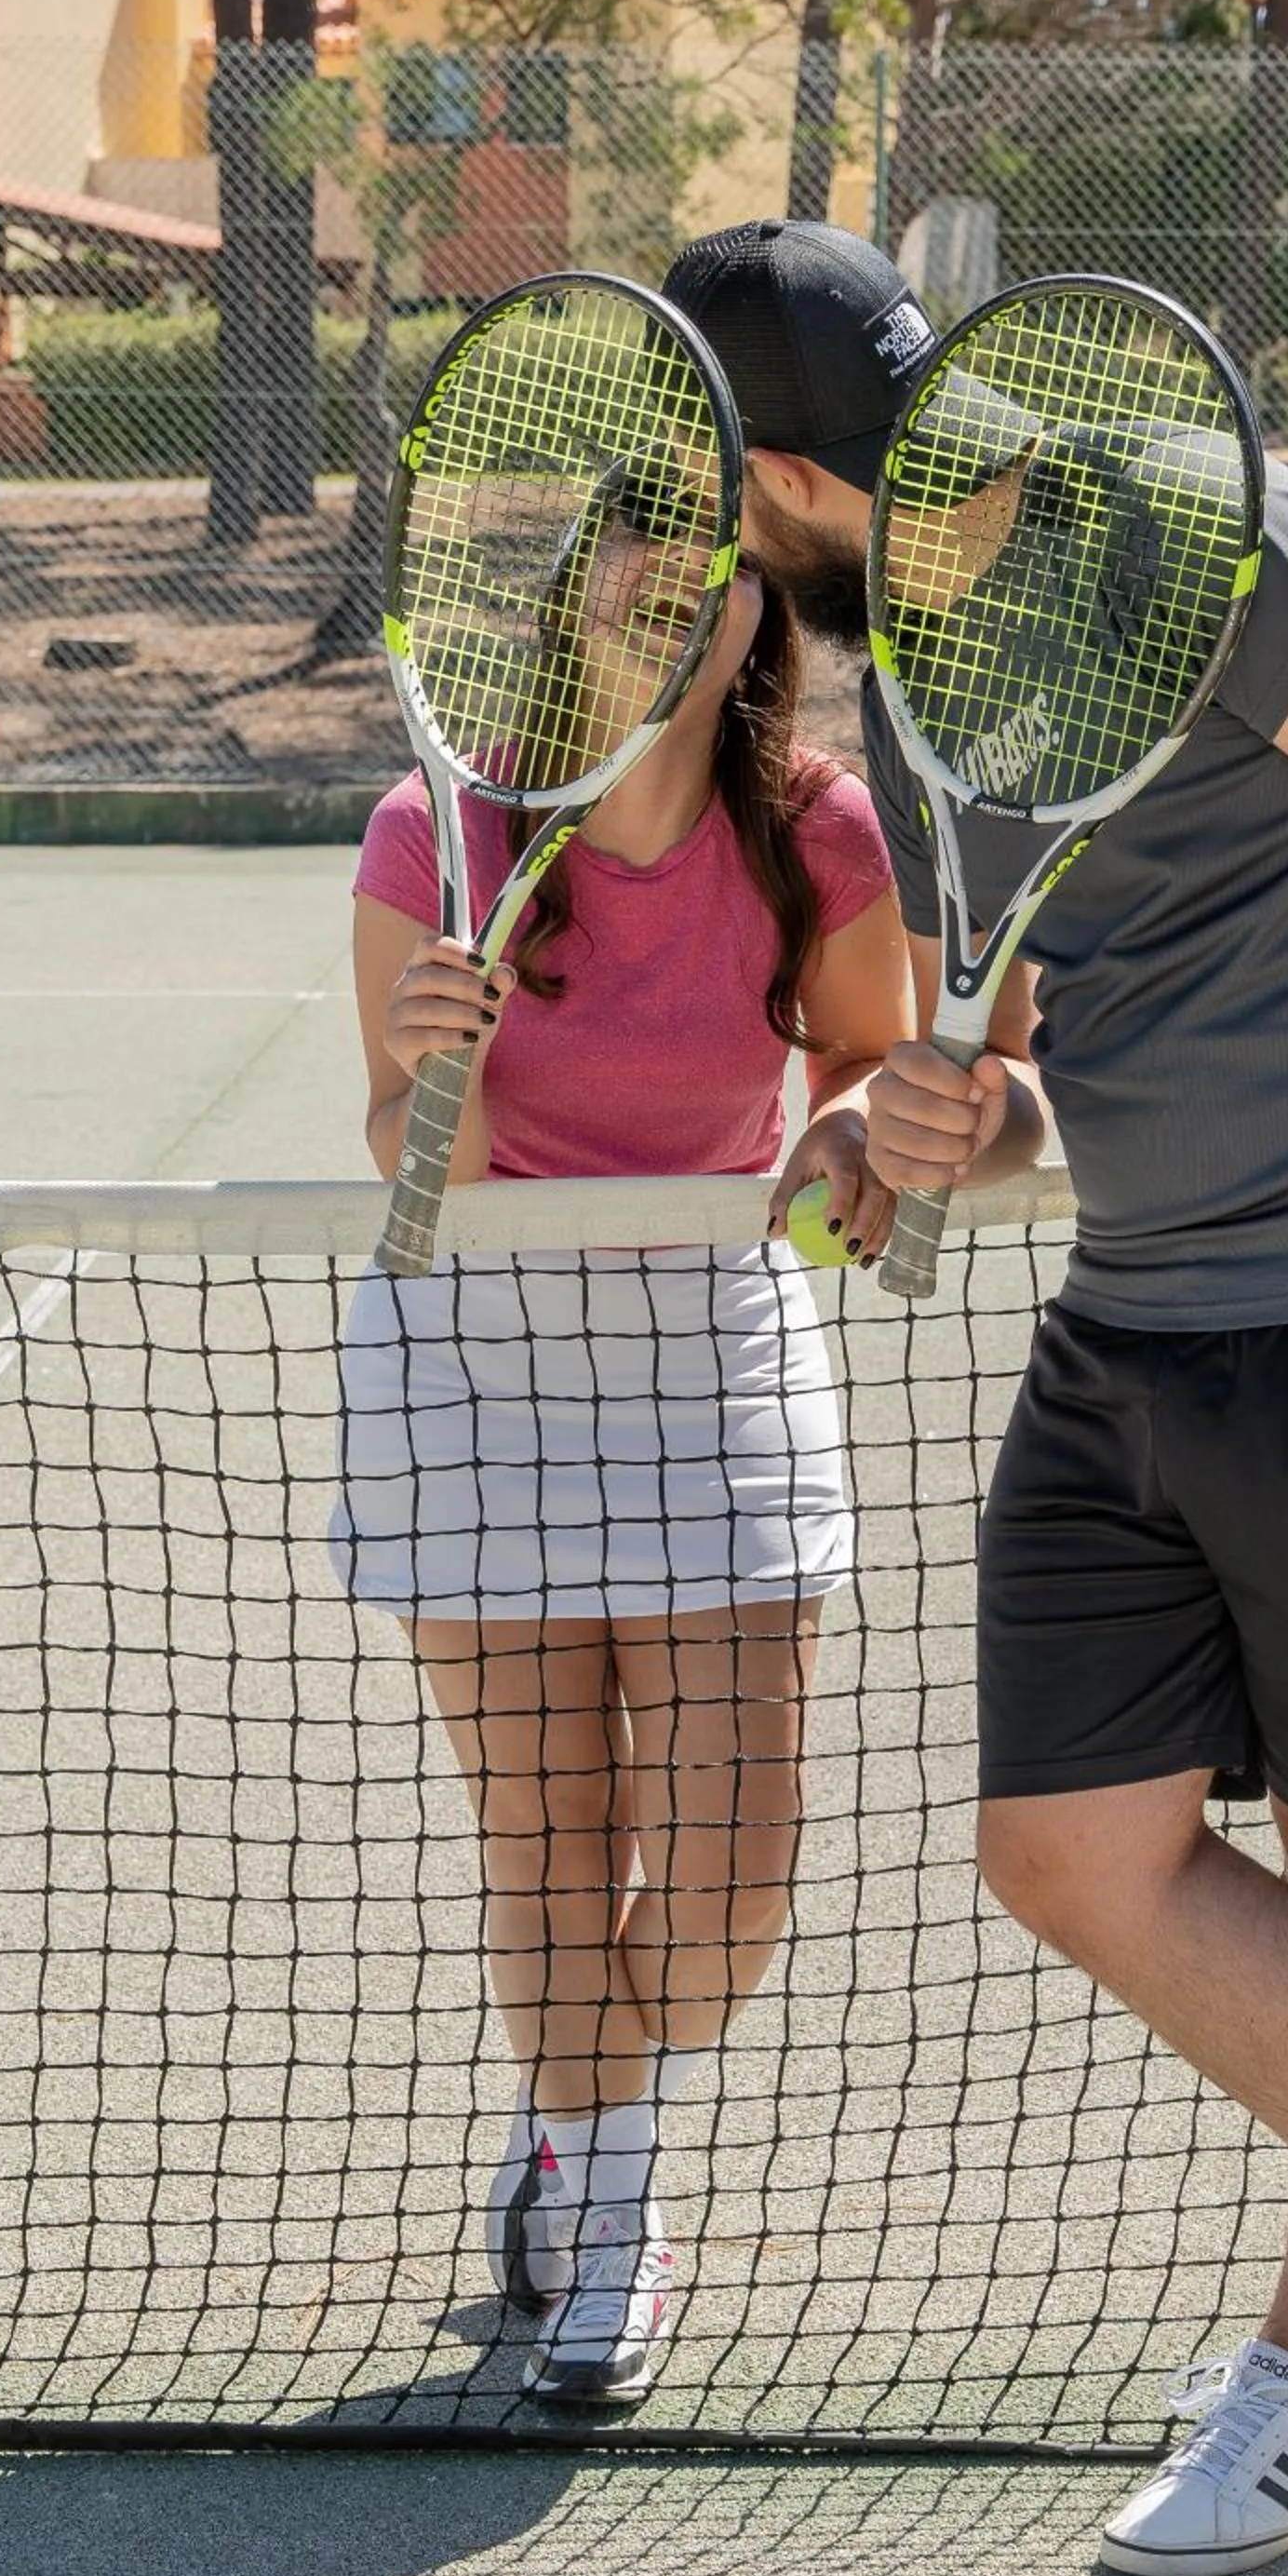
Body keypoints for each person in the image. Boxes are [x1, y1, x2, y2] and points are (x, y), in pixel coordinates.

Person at [661, 219, 1288, 2576]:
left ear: (784, 476)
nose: (706, 536)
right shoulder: (914, 666)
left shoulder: (1221, 541)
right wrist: (921, 1124)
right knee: (1067, 1852)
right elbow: (1020, 1063)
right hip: (1132, 1316)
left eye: (709, 487)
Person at [329, 534, 913, 2407]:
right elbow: (424, 1178)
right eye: (644, 536)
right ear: (580, 579)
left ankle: (579, 2116)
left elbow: (864, 1121)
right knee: (554, 1845)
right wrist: (434, 1070)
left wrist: (843, 1165)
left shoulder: (819, 838)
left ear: (759, 618)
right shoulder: (436, 831)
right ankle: (615, 2215)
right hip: (470, 1357)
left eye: (723, 553)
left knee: (734, 1862)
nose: (681, 576)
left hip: (716, 1350)